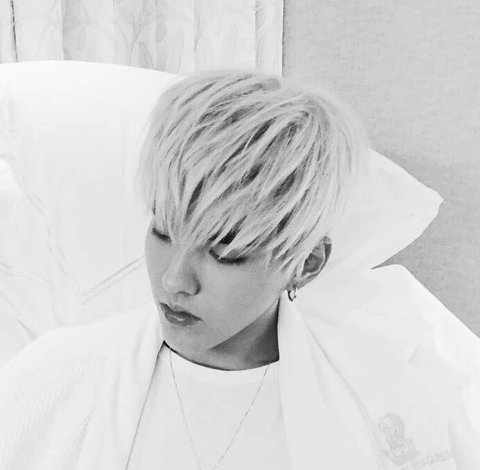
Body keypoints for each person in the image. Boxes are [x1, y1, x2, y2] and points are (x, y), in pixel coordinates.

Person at [1, 68, 479, 470]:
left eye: (226, 252)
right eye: (163, 231)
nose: (174, 280)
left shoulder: (389, 404)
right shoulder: (51, 382)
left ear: (306, 265)